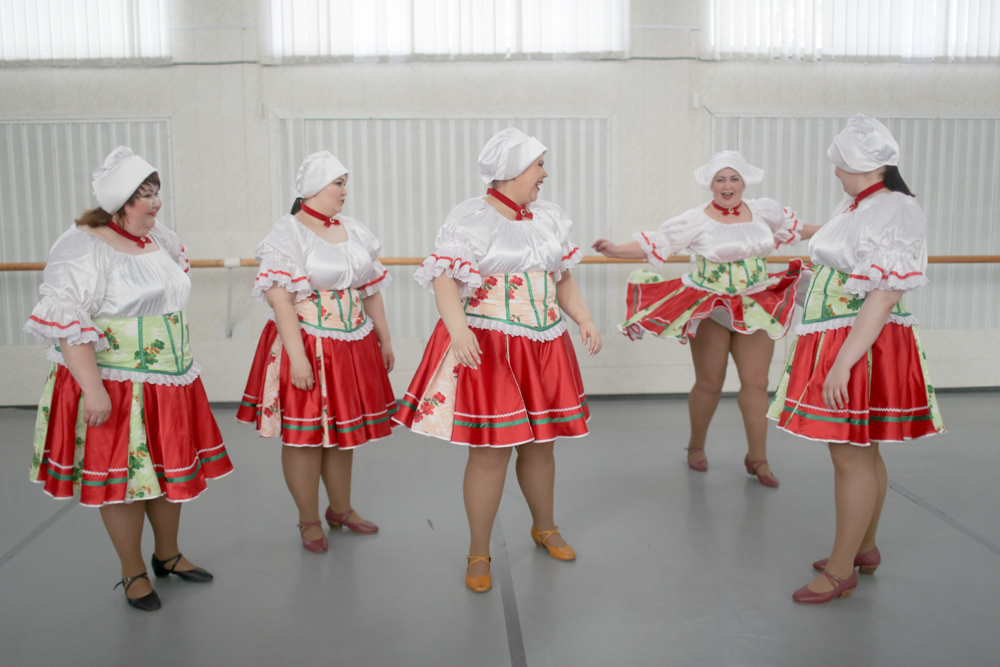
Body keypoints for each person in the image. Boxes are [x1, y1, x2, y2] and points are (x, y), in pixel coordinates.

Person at [24, 147, 233, 611]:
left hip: (170, 379)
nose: (155, 204)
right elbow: (68, 321)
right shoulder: (82, 245)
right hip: (117, 381)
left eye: (156, 193)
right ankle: (132, 571)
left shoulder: (159, 237)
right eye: (143, 195)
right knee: (125, 481)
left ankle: (168, 555)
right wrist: (93, 389)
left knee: (166, 473)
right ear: (118, 201)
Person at [393, 128, 602, 592]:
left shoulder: (548, 216)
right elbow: (446, 278)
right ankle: (479, 550)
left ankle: (543, 525)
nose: (545, 173)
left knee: (541, 444)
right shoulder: (470, 217)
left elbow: (561, 277)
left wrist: (583, 318)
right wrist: (459, 328)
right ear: (511, 170)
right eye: (538, 164)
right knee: (490, 452)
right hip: (492, 343)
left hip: (545, 341)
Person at [768, 115, 946, 603]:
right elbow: (841, 257)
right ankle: (863, 548)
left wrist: (844, 363)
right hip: (842, 335)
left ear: (862, 167)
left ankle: (842, 569)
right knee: (862, 450)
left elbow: (885, 293)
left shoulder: (896, 209)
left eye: (839, 165)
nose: (834, 173)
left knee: (849, 454)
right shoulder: (860, 204)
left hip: (860, 342)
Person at [592, 152, 819, 486]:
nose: (727, 186)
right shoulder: (696, 219)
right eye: (720, 180)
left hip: (756, 302)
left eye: (733, 179)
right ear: (711, 185)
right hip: (710, 305)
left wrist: (841, 228)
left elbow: (799, 229)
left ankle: (758, 458)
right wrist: (614, 249)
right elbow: (660, 242)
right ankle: (696, 446)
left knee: (756, 383)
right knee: (710, 382)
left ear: (744, 182)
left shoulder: (764, 211)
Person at [237, 151, 395, 554]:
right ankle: (308, 518)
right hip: (306, 341)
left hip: (352, 342)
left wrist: (384, 339)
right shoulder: (287, 233)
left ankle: (340, 509)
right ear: (312, 189)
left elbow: (370, 289)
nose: (345, 191)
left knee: (344, 433)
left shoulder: (354, 230)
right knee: (305, 436)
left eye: (345, 183)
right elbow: (281, 302)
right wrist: (299, 358)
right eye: (337, 183)